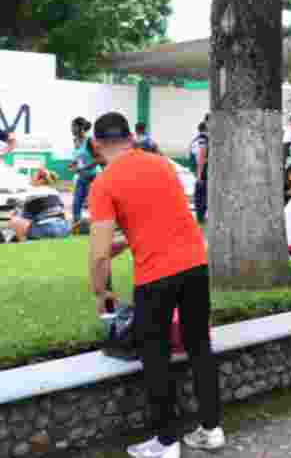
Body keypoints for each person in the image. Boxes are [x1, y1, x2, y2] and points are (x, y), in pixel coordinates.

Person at [87, 112, 224, 457]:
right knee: (199, 346)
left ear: (96, 145)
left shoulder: (103, 184)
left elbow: (98, 255)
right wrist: (126, 243)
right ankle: (211, 429)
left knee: (156, 356)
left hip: (156, 276)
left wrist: (101, 291)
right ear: (132, 138)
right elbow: (159, 219)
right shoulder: (162, 164)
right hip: (195, 265)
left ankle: (166, 443)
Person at [69, 118, 100, 224]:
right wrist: (72, 165)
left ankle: (98, 225)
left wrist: (83, 168)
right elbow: (77, 158)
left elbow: (99, 159)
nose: (71, 129)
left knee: (92, 203)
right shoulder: (75, 141)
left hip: (94, 176)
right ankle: (76, 225)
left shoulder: (89, 141)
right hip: (82, 176)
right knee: (76, 203)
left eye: (73, 126)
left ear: (80, 128)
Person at [190, 121, 209, 224]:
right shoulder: (204, 140)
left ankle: (200, 218)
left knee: (200, 196)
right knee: (203, 196)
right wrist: (199, 174)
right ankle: (201, 218)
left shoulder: (196, 140)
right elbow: (201, 156)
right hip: (203, 172)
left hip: (199, 171)